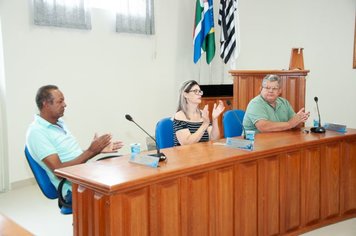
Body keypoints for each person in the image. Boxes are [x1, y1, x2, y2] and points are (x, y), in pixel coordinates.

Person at [26, 85, 123, 206]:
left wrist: (96, 150)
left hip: (85, 176)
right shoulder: (37, 132)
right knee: (121, 195)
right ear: (45, 104)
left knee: (123, 178)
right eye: (60, 101)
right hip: (73, 188)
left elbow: (70, 154)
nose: (65, 104)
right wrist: (91, 151)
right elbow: (59, 171)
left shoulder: (59, 123)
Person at [243, 74, 310, 133]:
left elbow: (294, 124)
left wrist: (299, 119)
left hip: (277, 141)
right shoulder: (255, 104)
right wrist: (290, 124)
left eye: (274, 88)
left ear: (279, 91)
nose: (271, 91)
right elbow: (264, 127)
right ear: (261, 89)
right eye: (267, 88)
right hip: (254, 144)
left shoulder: (284, 102)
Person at [173, 80, 225, 146]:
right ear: (185, 94)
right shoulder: (179, 116)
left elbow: (214, 139)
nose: (199, 94)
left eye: (200, 91)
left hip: (203, 153)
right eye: (195, 91)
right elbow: (186, 144)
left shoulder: (203, 114)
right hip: (185, 155)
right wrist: (204, 125)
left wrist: (215, 119)